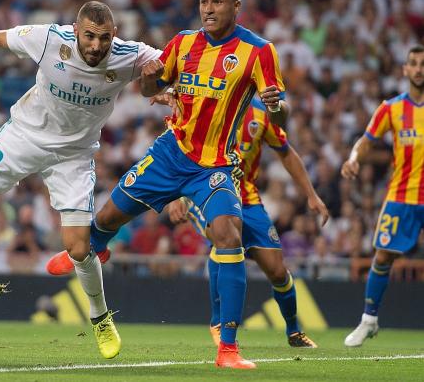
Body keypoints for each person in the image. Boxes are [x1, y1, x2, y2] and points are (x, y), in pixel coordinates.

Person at [46, 0, 287, 369]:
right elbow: (149, 88)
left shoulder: (258, 51)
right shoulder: (183, 43)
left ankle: (228, 348)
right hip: (171, 154)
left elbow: (281, 113)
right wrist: (150, 79)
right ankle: (93, 248)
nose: (208, 8)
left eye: (218, 1)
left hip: (214, 167)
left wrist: (276, 105)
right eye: (204, 0)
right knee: (107, 216)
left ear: (236, 6)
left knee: (229, 235)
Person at [0, 0, 163, 359]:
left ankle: (100, 317)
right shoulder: (46, 39)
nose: (95, 46)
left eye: (104, 38)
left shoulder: (132, 55)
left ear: (114, 35)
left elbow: (167, 74)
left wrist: (161, 83)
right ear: (76, 31)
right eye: (89, 36)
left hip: (73, 157)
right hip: (23, 138)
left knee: (78, 247)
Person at [167, 96, 329, 349]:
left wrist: (311, 195)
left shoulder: (261, 114)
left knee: (277, 271)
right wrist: (177, 195)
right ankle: (218, 322)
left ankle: (294, 330)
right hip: (205, 194)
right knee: (224, 237)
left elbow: (286, 153)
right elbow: (177, 147)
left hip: (248, 200)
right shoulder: (206, 102)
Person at [342, 44, 424, 347]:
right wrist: (353, 159)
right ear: (405, 70)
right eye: (413, 63)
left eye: (422, 64)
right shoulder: (392, 108)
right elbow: (366, 140)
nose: (418, 69)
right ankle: (369, 320)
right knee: (383, 255)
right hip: (402, 196)